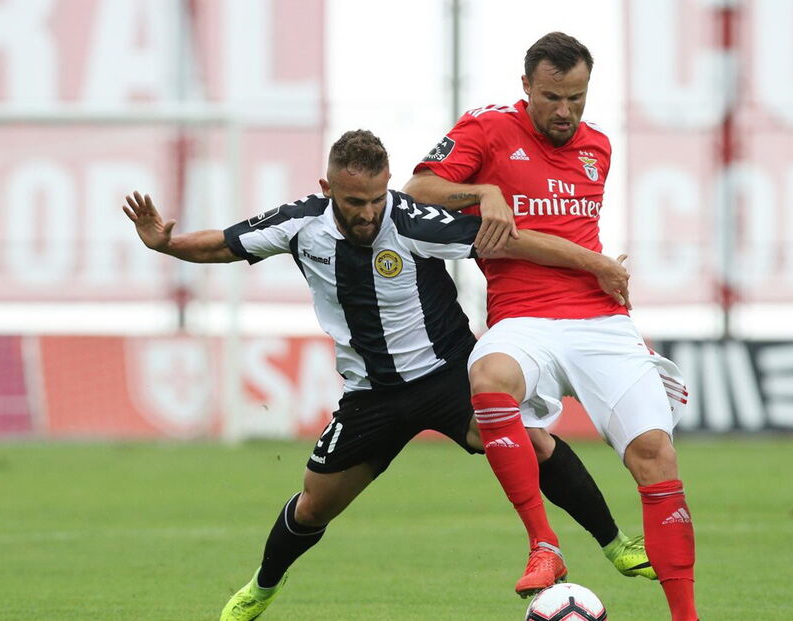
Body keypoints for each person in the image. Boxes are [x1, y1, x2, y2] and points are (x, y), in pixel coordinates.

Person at [122, 130, 641, 621]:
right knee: (312, 505)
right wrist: (166, 244)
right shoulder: (301, 223)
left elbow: (514, 242)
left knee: (534, 442)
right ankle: (262, 586)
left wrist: (594, 263)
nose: (369, 213)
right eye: (354, 202)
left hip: (449, 376)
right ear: (328, 190)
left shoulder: (414, 219)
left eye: (376, 198)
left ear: (387, 184)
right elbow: (225, 244)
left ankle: (615, 544)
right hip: (371, 396)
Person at [405, 32, 699, 619]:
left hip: (600, 319)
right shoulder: (487, 128)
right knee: (488, 376)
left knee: (655, 456)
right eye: (551, 97)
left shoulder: (600, 148)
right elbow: (417, 190)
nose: (564, 112)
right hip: (524, 317)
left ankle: (686, 616)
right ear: (525, 88)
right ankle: (544, 544)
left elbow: (568, 233)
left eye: (577, 98)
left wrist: (600, 269)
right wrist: (483, 189)